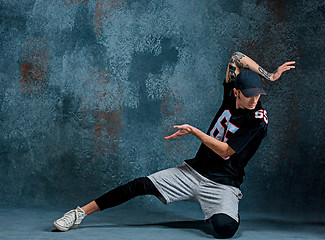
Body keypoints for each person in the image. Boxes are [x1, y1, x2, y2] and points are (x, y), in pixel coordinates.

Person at [53, 52, 295, 238]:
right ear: (236, 92)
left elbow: (225, 150)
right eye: (249, 94)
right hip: (193, 172)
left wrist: (194, 131)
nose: (255, 100)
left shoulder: (257, 120)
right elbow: (236, 57)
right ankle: (79, 213)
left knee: (225, 230)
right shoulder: (229, 95)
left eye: (259, 94)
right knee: (140, 184)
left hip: (223, 185)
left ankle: (218, 211)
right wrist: (269, 74)